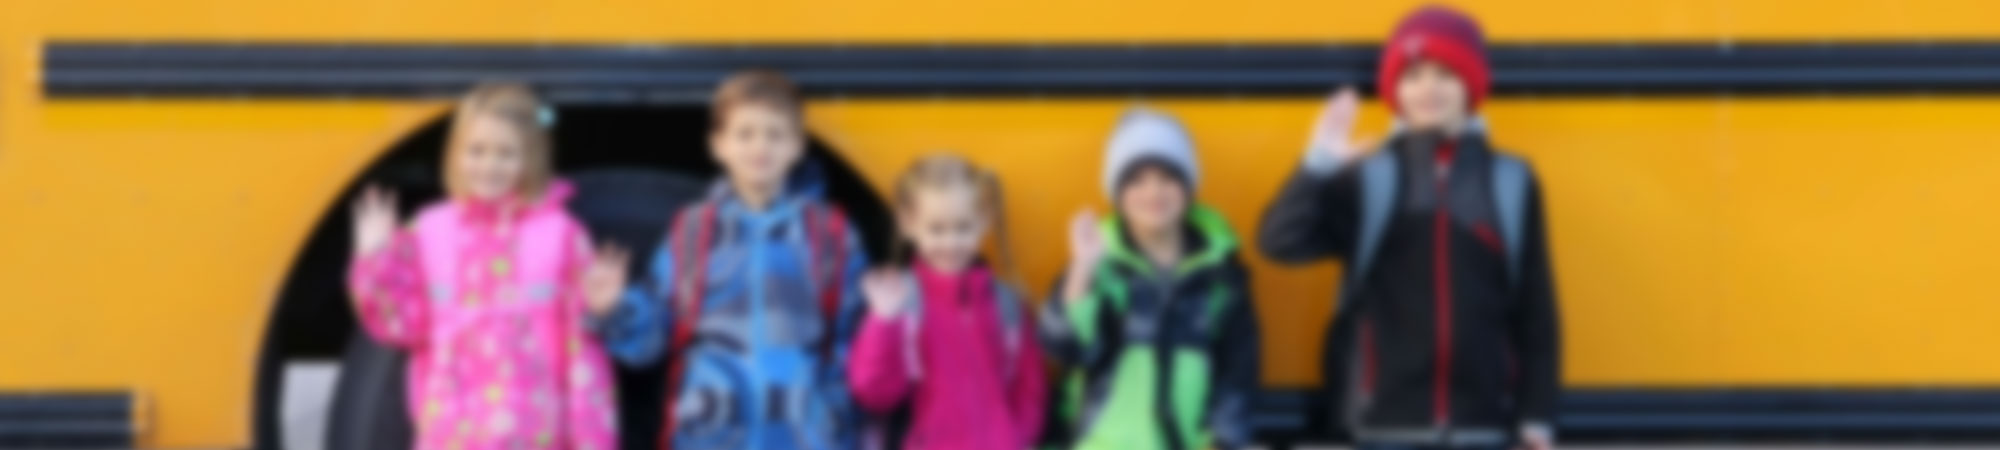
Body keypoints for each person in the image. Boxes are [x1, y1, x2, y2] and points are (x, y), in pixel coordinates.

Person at [1256, 6, 1561, 450]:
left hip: (1483, 427)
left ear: (1471, 84)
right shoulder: (1368, 177)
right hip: (1380, 427)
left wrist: (1536, 417)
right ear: (1395, 88)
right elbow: (1278, 242)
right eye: (1413, 75)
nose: (1428, 89)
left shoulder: (1512, 180)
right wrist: (1317, 165)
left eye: (1445, 73)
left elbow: (1537, 311)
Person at [586, 69, 867, 450]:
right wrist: (615, 309)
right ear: (719, 145)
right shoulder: (692, 232)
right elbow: (656, 333)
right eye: (745, 134)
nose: (760, 147)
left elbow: (852, 338)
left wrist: (834, 419)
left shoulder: (830, 234)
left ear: (798, 146)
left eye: (775, 134)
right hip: (712, 433)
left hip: (804, 434)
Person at [347, 82, 619, 449]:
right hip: (450, 435)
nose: (489, 166)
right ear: (456, 154)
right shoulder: (430, 231)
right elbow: (403, 326)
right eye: (476, 151)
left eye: (506, 154)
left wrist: (592, 441)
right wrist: (376, 259)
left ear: (531, 159)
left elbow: (583, 355)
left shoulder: (561, 236)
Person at [1040, 106, 1261, 450]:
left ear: (1188, 187)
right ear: (1116, 193)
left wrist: (1224, 440)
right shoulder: (1102, 264)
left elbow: (1237, 375)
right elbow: (1065, 347)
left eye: (1168, 178)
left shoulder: (1222, 276)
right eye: (1136, 180)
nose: (1153, 192)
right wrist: (1082, 269)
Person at [844, 154, 1047, 450]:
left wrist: (1018, 437)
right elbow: (873, 393)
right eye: (936, 230)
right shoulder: (900, 301)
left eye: (963, 228)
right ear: (908, 224)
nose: (951, 243)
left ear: (983, 222)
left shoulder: (1007, 303)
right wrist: (883, 323)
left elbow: (1029, 387)